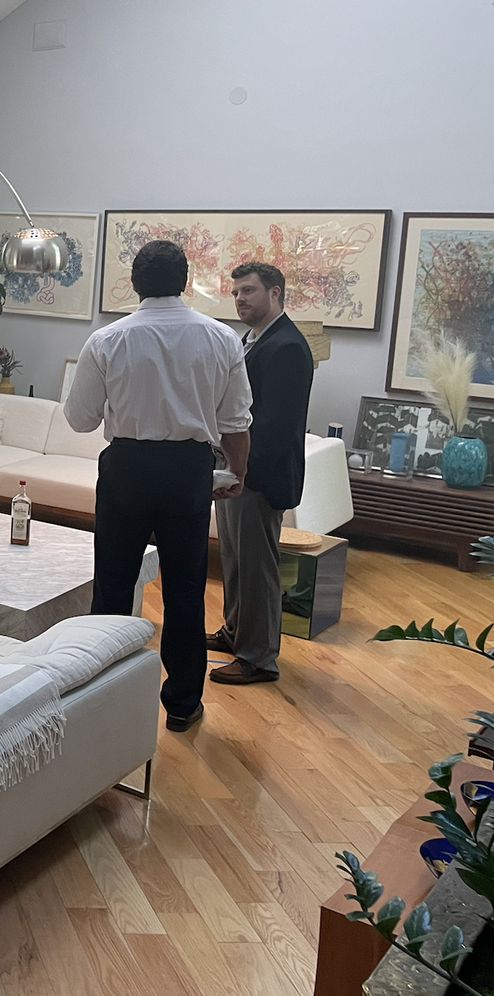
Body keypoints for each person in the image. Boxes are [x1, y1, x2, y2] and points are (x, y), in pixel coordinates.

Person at [63, 240, 252, 733]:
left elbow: (80, 420)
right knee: (186, 591)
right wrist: (237, 473)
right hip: (189, 469)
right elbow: (235, 421)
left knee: (112, 585)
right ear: (185, 282)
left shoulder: (107, 340)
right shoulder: (222, 338)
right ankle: (184, 702)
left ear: (134, 284)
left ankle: (98, 696)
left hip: (127, 467)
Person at [208, 261, 315, 685]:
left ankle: (258, 659)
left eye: (249, 291)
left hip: (258, 476)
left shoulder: (287, 346)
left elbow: (275, 425)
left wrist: (240, 469)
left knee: (257, 569)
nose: (240, 299)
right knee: (235, 561)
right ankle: (236, 634)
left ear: (275, 293)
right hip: (234, 471)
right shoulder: (250, 339)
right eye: (236, 292)